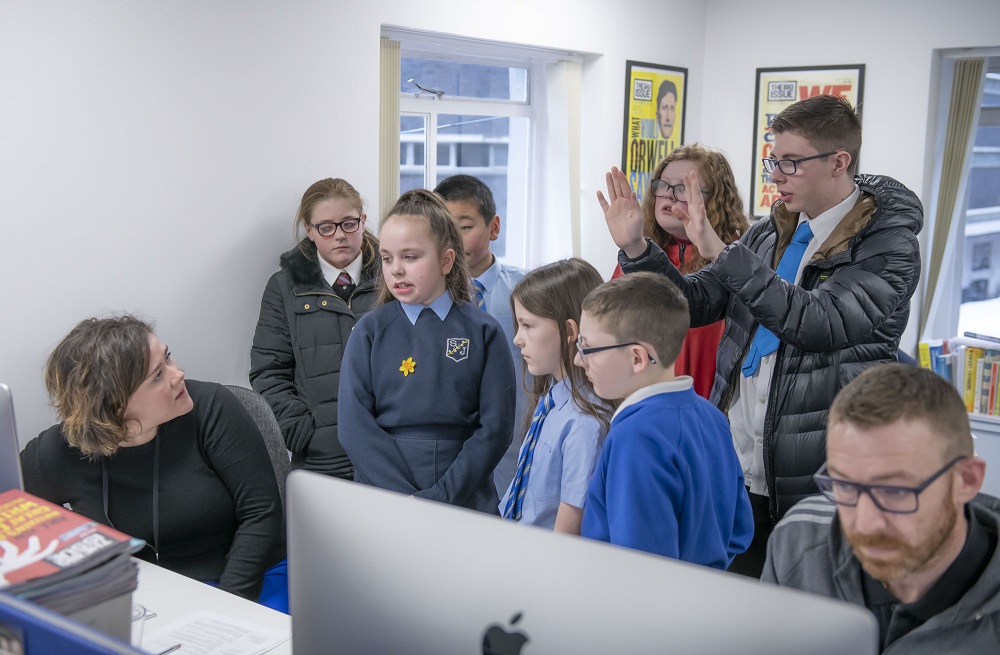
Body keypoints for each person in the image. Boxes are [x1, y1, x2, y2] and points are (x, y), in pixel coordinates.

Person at [600, 94, 923, 577]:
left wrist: (720, 251)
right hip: (742, 459)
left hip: (815, 468)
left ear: (839, 162)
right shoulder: (769, 234)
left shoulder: (887, 245)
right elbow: (690, 305)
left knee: (802, 614)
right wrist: (637, 247)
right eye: (775, 160)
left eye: (790, 163)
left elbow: (817, 322)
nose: (776, 176)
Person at [20, 316, 287, 609]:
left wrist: (226, 608)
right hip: (144, 597)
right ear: (116, 403)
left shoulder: (212, 408)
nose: (178, 374)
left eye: (168, 358)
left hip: (245, 579)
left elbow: (261, 513)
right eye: (158, 375)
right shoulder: (61, 451)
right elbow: (12, 514)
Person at [763, 363, 999, 653]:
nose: (864, 525)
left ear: (967, 480)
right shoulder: (797, 542)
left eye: (895, 491)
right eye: (845, 485)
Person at [338, 189, 516, 514]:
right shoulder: (369, 331)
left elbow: (496, 429)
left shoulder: (484, 331)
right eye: (387, 258)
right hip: (383, 495)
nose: (396, 270)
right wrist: (405, 499)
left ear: (446, 260)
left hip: (464, 496)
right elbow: (353, 425)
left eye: (410, 257)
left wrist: (439, 498)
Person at [576, 272, 752, 568]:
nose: (579, 360)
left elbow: (638, 568)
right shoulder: (712, 417)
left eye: (588, 348)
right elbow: (739, 531)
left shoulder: (635, 436)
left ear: (637, 358)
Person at [250, 177, 380, 480]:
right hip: (322, 459)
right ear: (310, 230)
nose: (339, 236)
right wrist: (300, 431)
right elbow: (268, 371)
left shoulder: (392, 279)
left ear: (362, 221)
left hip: (389, 451)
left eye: (348, 223)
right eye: (326, 227)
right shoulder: (284, 288)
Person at [611, 144, 750, 398]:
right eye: (663, 185)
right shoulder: (636, 255)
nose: (668, 196)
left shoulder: (736, 260)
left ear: (714, 199)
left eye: (683, 188)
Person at [499, 258, 612, 533]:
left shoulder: (584, 423)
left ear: (570, 331)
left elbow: (567, 531)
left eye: (528, 326)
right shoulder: (552, 395)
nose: (517, 339)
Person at [434, 174, 528, 498]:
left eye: (464, 227)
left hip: (515, 453)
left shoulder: (527, 292)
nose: (453, 242)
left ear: (494, 227)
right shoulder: (426, 302)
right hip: (449, 462)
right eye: (442, 230)